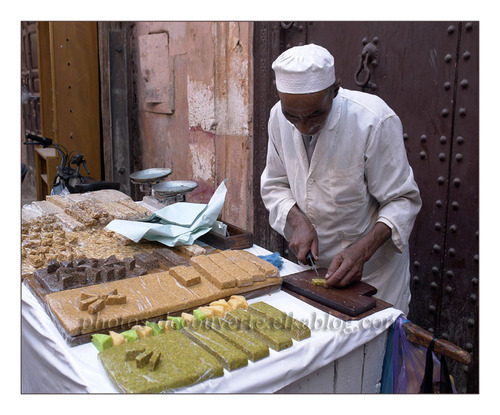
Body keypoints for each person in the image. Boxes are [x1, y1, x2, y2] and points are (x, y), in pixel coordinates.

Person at [260, 44, 422, 314]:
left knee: (371, 350)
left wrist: (362, 251)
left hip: (374, 276)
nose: (303, 126)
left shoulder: (373, 120)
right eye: (293, 116)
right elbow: (275, 184)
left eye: (315, 114)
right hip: (313, 273)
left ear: (335, 90)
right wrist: (297, 220)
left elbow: (402, 200)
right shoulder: (278, 115)